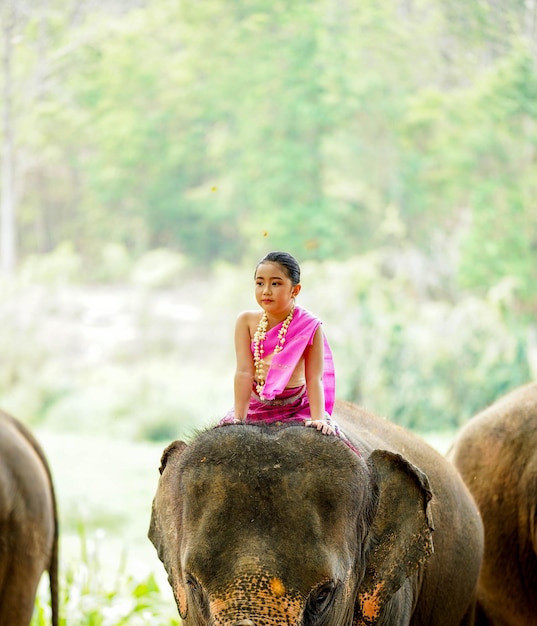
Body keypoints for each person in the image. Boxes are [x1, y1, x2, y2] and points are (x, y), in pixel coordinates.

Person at [218, 251, 338, 435]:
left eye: (275, 283)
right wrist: (239, 419)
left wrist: (318, 420)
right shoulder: (246, 321)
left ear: (295, 290)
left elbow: (314, 378)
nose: (266, 290)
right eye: (260, 283)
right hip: (256, 406)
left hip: (296, 407)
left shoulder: (309, 325)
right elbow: (244, 372)